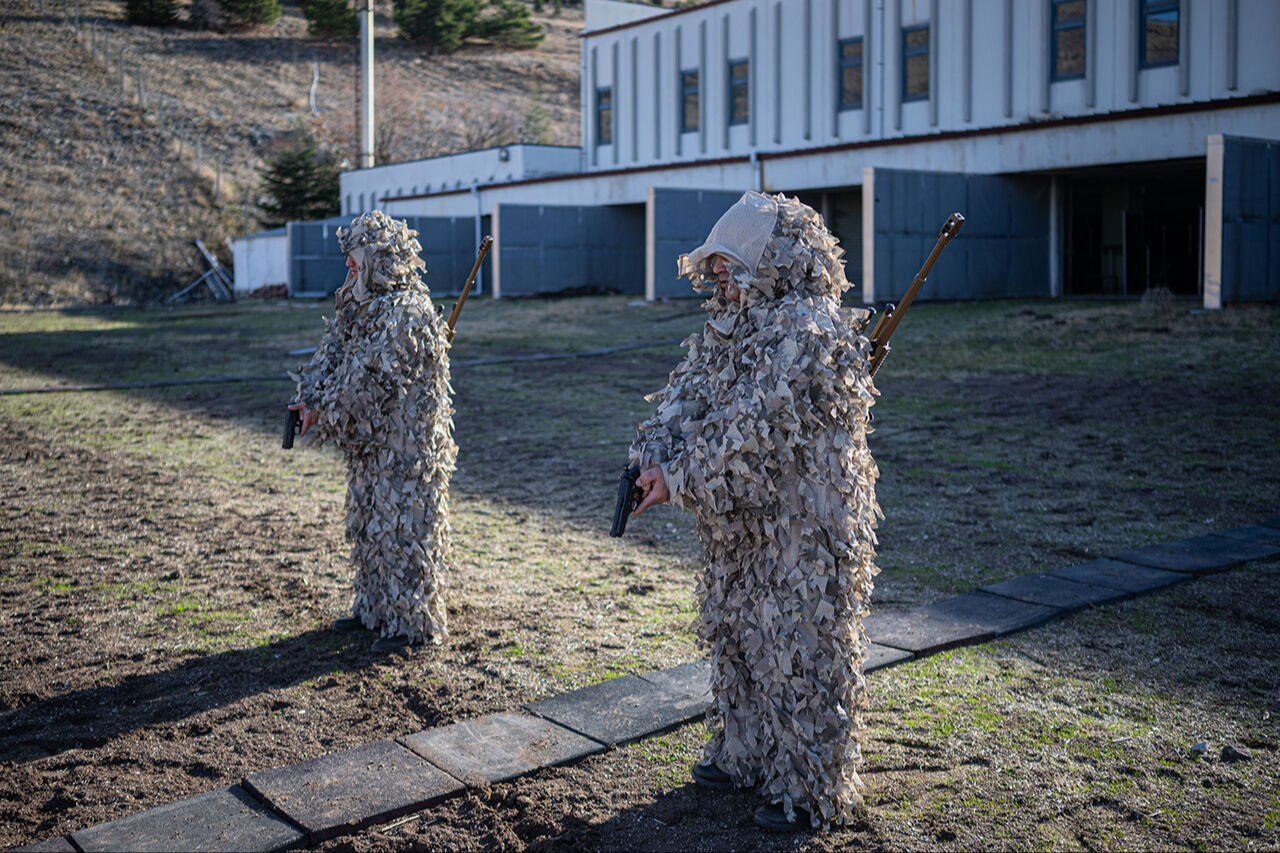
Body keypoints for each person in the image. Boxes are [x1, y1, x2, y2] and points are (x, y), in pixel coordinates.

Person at [629, 191, 881, 831]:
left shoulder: (810, 332)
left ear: (775, 261)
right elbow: (682, 403)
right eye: (713, 263)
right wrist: (652, 457)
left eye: (729, 263)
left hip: (801, 532)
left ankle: (808, 787)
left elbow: (752, 435)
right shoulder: (727, 328)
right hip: (735, 525)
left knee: (800, 650)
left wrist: (679, 474)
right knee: (739, 638)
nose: (717, 275)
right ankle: (744, 754)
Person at [288, 210, 457, 652]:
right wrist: (309, 397)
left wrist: (322, 412)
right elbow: (332, 357)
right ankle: (374, 612)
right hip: (369, 447)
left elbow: (366, 383)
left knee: (404, 535)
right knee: (368, 527)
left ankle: (410, 626)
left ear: (380, 258)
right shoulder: (360, 306)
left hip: (405, 454)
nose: (348, 265)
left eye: (356, 256)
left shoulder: (409, 313)